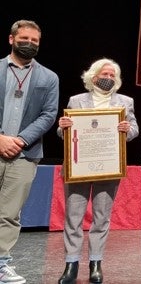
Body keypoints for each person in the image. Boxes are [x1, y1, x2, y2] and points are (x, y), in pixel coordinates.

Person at [56, 58, 139, 284]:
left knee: (101, 218)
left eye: (113, 76)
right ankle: (71, 265)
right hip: (78, 168)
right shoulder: (76, 100)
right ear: (94, 77)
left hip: (109, 167)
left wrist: (127, 129)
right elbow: (64, 134)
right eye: (105, 74)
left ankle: (95, 263)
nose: (108, 78)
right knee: (73, 218)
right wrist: (62, 128)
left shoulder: (125, 101)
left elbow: (134, 130)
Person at [0, 19, 59, 284]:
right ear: (11, 39)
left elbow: (49, 115)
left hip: (24, 155)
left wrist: (21, 140)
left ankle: (1, 264)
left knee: (9, 213)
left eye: (35, 41)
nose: (30, 44)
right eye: (24, 39)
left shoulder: (49, 77)